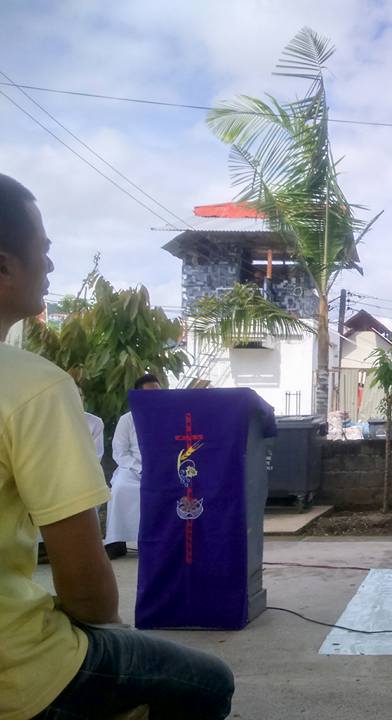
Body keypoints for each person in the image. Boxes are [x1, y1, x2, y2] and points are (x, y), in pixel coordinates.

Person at [0, 173, 234, 719]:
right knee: (208, 682)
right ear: (4, 265)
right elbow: (84, 586)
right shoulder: (31, 386)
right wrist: (112, 637)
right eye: (45, 251)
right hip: (17, 669)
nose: (51, 267)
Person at [104, 373, 161, 559]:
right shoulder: (127, 420)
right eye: (149, 393)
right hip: (132, 469)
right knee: (120, 489)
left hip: (162, 469)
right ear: (138, 396)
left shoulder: (168, 417)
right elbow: (120, 452)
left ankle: (158, 541)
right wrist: (141, 469)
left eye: (157, 392)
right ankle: (116, 541)